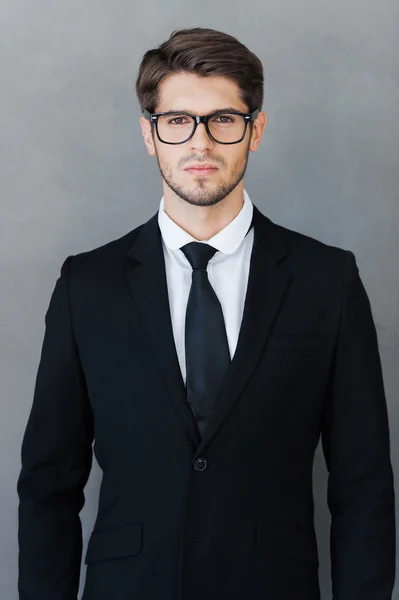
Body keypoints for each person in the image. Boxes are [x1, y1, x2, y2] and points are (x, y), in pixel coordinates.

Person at [17, 27, 395, 600]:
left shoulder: (327, 280)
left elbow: (363, 482)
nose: (201, 143)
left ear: (256, 130)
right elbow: (49, 483)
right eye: (178, 120)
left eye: (224, 119)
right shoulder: (87, 286)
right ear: (150, 134)